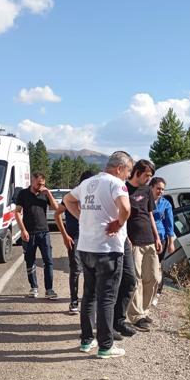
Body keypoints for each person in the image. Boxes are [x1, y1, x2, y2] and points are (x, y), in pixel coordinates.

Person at [64, 151, 132, 359]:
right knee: (107, 298)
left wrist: (83, 217)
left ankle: (86, 340)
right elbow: (126, 208)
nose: (127, 177)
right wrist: (118, 223)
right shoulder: (115, 183)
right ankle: (105, 346)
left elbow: (68, 200)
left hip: (86, 247)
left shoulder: (88, 183)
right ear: (119, 168)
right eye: (128, 172)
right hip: (107, 248)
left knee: (89, 295)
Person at [125, 159, 162, 332]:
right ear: (137, 172)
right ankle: (136, 315)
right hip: (133, 242)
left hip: (149, 241)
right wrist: (126, 237)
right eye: (147, 175)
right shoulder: (124, 189)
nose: (149, 179)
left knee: (154, 277)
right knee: (136, 280)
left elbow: (150, 214)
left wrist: (157, 237)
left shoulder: (147, 190)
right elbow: (121, 215)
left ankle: (144, 310)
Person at [53, 170, 96, 314]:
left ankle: (89, 299)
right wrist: (65, 235)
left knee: (92, 270)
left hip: (91, 237)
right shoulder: (71, 196)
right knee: (76, 269)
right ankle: (73, 301)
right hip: (75, 238)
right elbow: (57, 214)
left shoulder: (93, 196)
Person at [15, 172, 59, 299]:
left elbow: (56, 208)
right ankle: (33, 287)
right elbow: (17, 212)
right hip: (29, 233)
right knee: (30, 261)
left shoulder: (45, 194)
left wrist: (49, 194)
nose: (41, 186)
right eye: (39, 183)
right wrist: (23, 230)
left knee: (48, 261)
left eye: (43, 184)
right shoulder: (23, 194)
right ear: (32, 181)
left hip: (44, 232)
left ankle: (49, 289)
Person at [150, 176, 175, 306]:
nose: (160, 191)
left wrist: (171, 243)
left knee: (158, 266)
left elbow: (170, 225)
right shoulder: (144, 200)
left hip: (161, 239)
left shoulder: (166, 204)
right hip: (145, 238)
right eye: (158, 188)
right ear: (151, 187)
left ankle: (157, 292)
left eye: (163, 189)